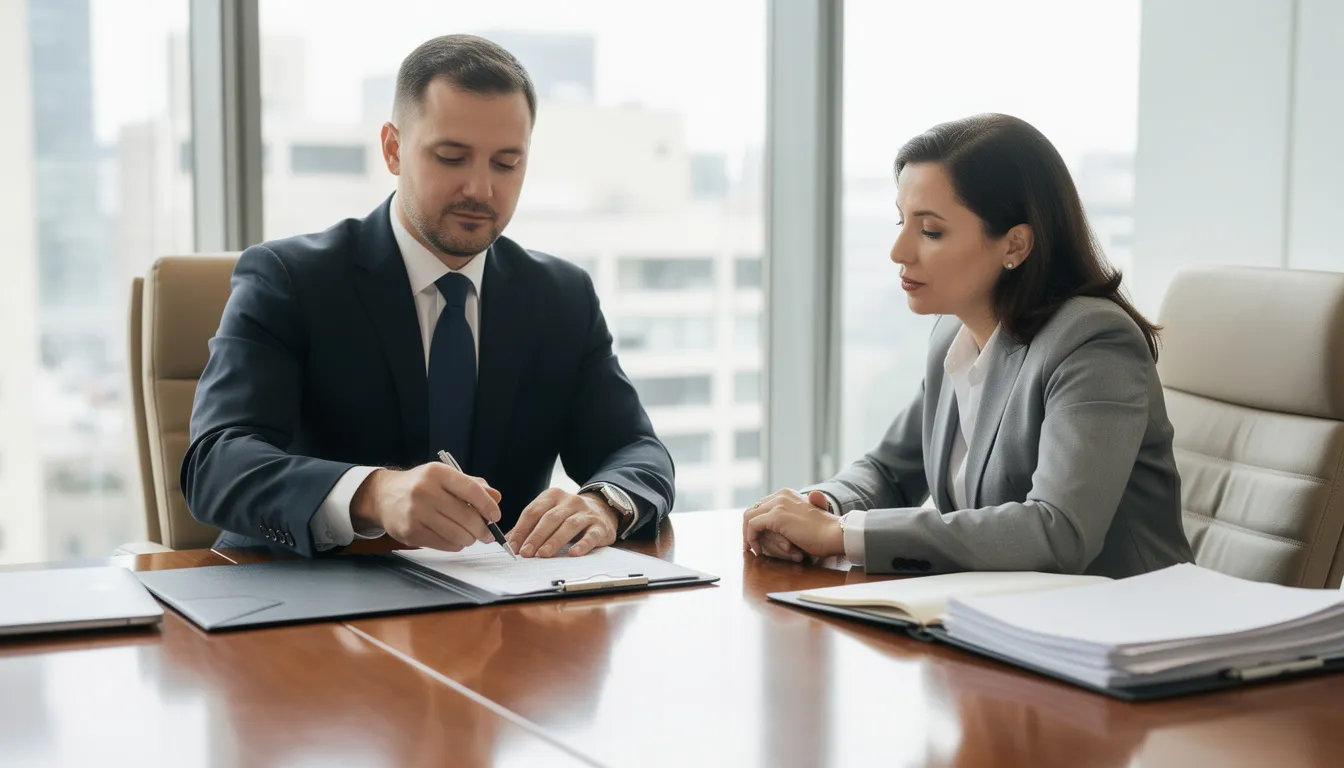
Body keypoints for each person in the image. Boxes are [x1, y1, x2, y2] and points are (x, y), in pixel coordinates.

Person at [182, 35, 674, 559]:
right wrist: (372, 493)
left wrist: (604, 504)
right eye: (452, 157)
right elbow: (216, 463)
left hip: (501, 611)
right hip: (315, 606)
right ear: (394, 149)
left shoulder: (561, 296)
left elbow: (634, 449)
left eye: (506, 164)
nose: (481, 189)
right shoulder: (289, 278)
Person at [743, 113, 1193, 578]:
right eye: (902, 221)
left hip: (1126, 627)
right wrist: (819, 506)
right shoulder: (951, 337)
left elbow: (1058, 531)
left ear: (1015, 244)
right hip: (1000, 620)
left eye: (930, 231)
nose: (898, 251)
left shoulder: (1094, 342)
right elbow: (890, 472)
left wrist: (844, 535)